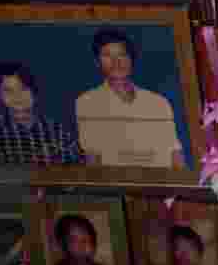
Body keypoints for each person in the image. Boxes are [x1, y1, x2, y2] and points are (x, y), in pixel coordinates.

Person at [74, 28, 184, 168]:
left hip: (161, 179)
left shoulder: (159, 103)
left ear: (131, 59)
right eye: (107, 55)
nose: (116, 62)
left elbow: (175, 156)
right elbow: (92, 159)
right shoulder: (86, 102)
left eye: (122, 54)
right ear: (97, 62)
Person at [0, 62, 82, 165]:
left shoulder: (57, 130)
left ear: (34, 90)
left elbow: (76, 169)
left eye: (23, 88)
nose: (17, 96)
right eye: (8, 90)